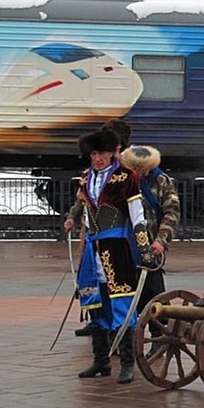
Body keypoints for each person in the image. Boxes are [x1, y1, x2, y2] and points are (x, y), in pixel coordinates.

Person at [70, 127, 154, 384]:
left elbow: (137, 217)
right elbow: (86, 214)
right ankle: (101, 361)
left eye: (102, 154)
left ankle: (127, 363)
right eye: (93, 154)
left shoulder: (126, 177)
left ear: (111, 153)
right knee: (96, 304)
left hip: (116, 249)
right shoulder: (85, 179)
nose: (97, 159)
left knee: (122, 305)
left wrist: (144, 249)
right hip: (93, 251)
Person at [66, 118, 132, 337]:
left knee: (119, 286)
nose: (98, 157)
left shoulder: (127, 172)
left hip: (119, 237)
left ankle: (121, 330)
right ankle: (98, 324)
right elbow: (82, 198)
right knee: (92, 280)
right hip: (93, 235)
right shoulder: (90, 174)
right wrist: (72, 217)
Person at [118, 144, 181, 354]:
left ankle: (159, 335)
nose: (138, 173)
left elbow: (172, 213)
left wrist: (161, 241)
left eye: (141, 169)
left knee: (153, 293)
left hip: (151, 247)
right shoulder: (119, 181)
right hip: (124, 244)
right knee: (123, 293)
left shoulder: (161, 181)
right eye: (134, 169)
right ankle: (123, 338)